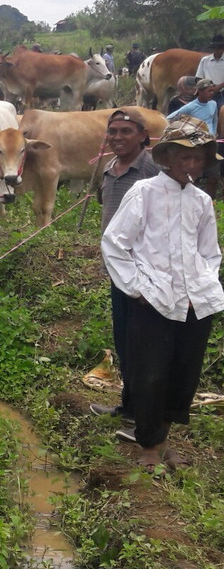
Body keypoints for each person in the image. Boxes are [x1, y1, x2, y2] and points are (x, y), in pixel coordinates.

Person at [102, 115, 224, 471]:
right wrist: (138, 288)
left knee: (183, 373)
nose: (191, 164)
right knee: (149, 373)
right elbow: (114, 244)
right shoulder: (145, 193)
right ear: (167, 156)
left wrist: (203, 285)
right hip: (153, 301)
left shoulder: (201, 201)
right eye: (184, 156)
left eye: (198, 158)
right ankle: (150, 444)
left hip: (195, 303)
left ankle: (165, 438)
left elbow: (210, 252)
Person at [91, 110, 160, 439]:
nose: (117, 137)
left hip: (144, 273)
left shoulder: (152, 169)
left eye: (126, 131)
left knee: (143, 346)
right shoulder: (108, 168)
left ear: (143, 136)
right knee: (125, 342)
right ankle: (130, 406)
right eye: (113, 131)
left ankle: (146, 418)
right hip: (118, 272)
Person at [195, 35, 224, 109]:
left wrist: (218, 87)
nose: (217, 50)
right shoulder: (205, 60)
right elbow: (199, 78)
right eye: (215, 48)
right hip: (207, 91)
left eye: (220, 48)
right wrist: (207, 87)